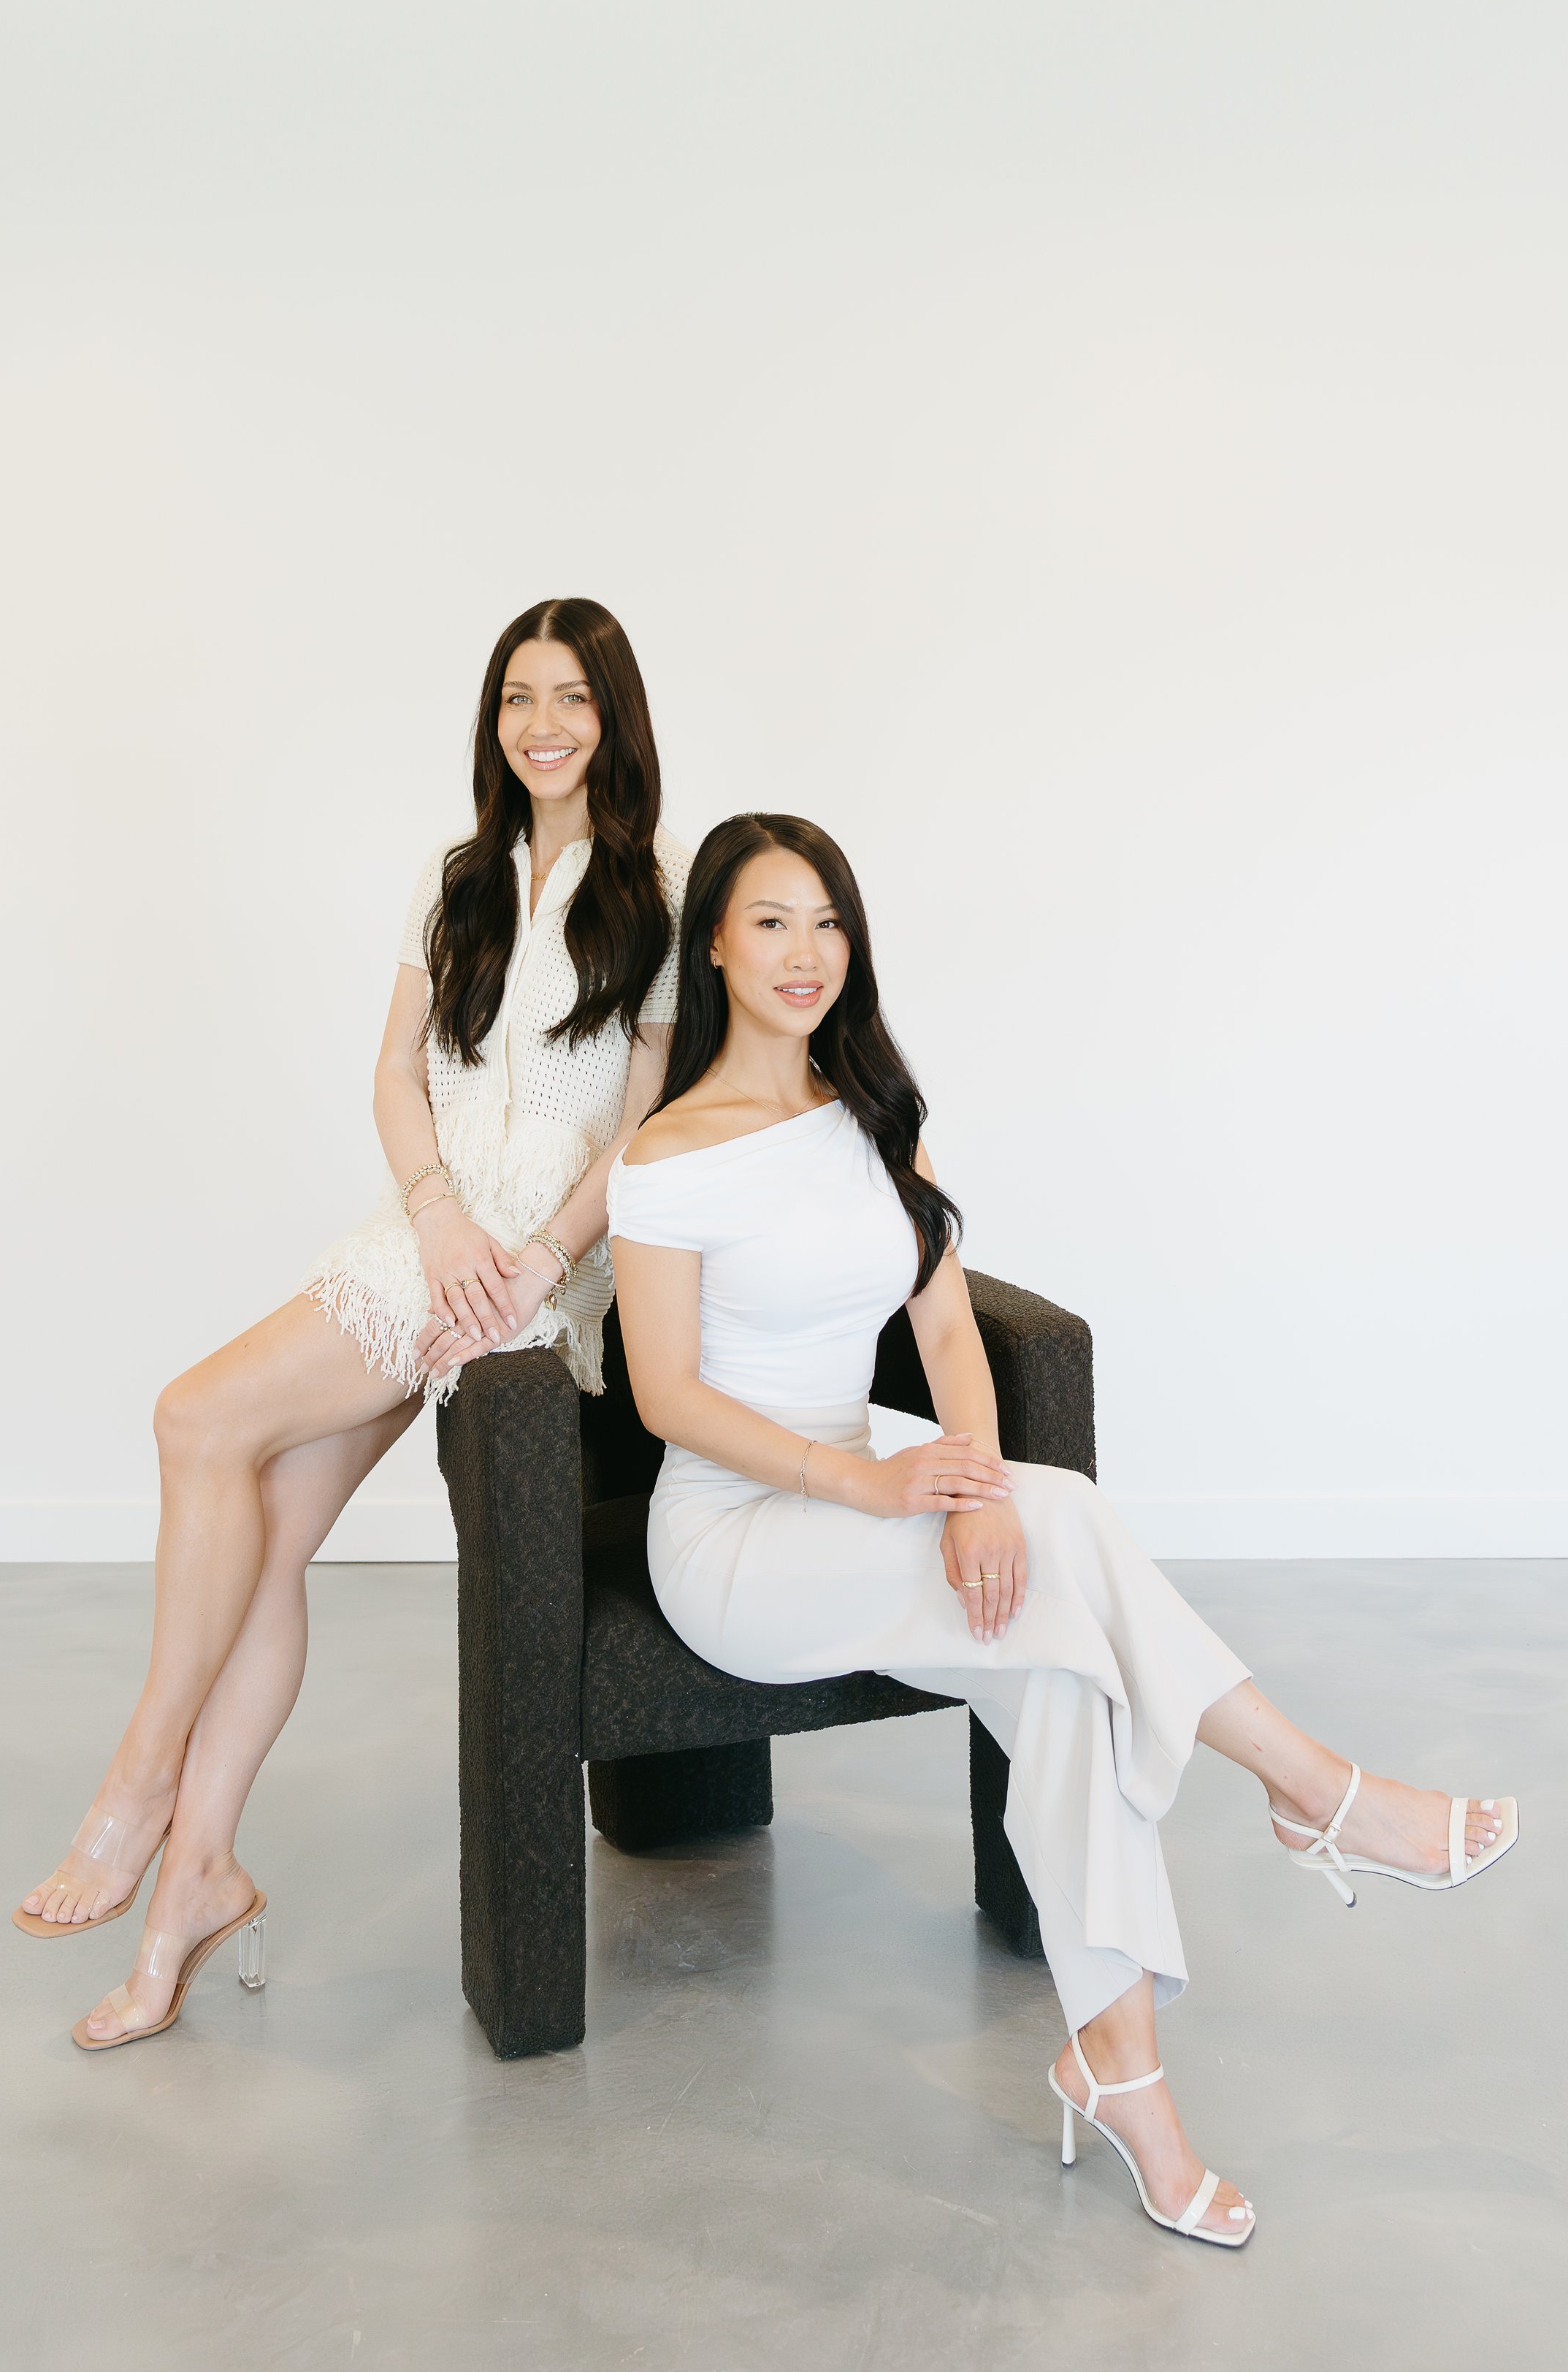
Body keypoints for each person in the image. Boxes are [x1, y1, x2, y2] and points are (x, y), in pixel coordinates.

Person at [606, 812, 1518, 2248]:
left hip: (882, 1469)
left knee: (1062, 1678)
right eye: (771, 921)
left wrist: (964, 1477)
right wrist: (881, 1489)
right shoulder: (665, 1153)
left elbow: (948, 1326)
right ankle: (1319, 1789)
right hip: (743, 1532)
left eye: (827, 922)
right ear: (713, 938)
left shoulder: (871, 1110)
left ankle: (1125, 2079)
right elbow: (665, 1396)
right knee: (1073, 1515)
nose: (803, 953)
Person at [16, 597, 690, 2052]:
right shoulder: (456, 880)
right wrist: (439, 1217)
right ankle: (197, 1871)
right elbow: (394, 1072)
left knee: (192, 1417)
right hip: (428, 1234)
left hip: (529, 1270)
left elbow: (640, 1133)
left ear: (613, 715)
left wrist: (530, 1260)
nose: (542, 722)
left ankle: (138, 1788)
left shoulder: (659, 893)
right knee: (255, 1505)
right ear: (492, 717)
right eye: (518, 694)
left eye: (570, 694)